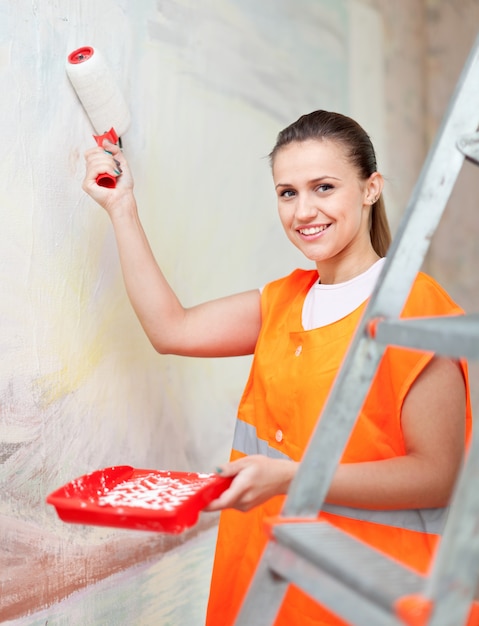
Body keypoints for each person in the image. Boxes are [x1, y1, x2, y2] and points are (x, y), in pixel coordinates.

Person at [83, 110, 474, 626]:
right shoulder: (284, 300)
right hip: (264, 587)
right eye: (287, 193)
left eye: (324, 187)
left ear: (370, 189)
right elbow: (170, 329)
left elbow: (437, 475)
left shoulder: (415, 310)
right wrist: (121, 206)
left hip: (372, 594)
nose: (303, 210)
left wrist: (291, 477)